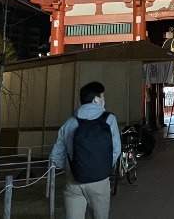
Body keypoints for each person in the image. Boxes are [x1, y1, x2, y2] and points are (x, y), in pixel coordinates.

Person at [50, 81, 122, 219]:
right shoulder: (109, 119)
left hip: (74, 181)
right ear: (96, 99)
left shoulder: (70, 122)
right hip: (100, 181)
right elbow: (116, 150)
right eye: (103, 97)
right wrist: (102, 167)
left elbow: (56, 155)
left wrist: (71, 169)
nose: (104, 101)